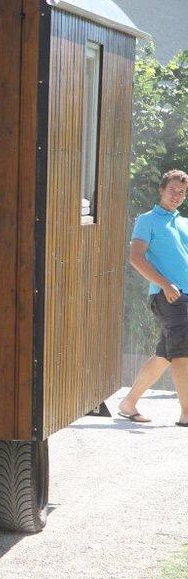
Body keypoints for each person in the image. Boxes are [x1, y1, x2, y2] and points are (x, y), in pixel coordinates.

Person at [117, 169, 188, 426]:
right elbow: (136, 258)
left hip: (185, 295)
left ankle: (128, 403)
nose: (177, 196)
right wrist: (166, 284)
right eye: (172, 191)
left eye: (182, 192)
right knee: (183, 351)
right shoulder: (147, 220)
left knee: (165, 354)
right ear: (161, 190)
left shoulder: (183, 222)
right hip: (167, 295)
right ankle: (187, 413)